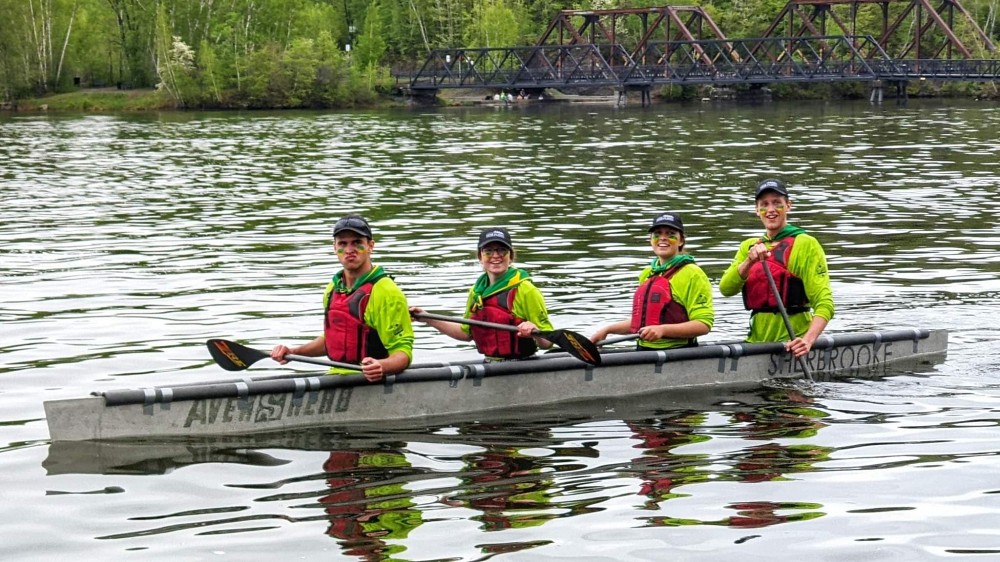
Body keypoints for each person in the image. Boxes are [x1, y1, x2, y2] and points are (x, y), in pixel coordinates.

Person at [271, 214, 414, 382]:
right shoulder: (333, 288)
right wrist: (293, 352)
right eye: (342, 244)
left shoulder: (387, 292)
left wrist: (381, 366)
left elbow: (403, 352)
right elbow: (333, 340)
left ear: (370, 246)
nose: (349, 250)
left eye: (357, 243)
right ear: (334, 247)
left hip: (370, 384)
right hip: (337, 379)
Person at [719, 179, 834, 358]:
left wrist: (807, 341)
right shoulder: (748, 246)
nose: (770, 210)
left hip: (793, 343)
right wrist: (749, 261)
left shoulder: (806, 244)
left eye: (777, 203)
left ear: (788, 206)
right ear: (757, 211)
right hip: (756, 344)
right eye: (764, 205)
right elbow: (725, 289)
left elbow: (825, 303)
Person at [410, 227, 554, 361]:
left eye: (502, 250)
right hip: (490, 365)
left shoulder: (526, 290)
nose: (496, 256)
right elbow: (465, 333)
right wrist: (428, 318)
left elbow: (547, 343)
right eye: (488, 251)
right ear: (480, 257)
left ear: (510, 256)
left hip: (523, 365)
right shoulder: (476, 291)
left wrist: (535, 331)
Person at [590, 212, 714, 349]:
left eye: (670, 234)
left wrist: (663, 330)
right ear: (651, 240)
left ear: (681, 241)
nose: (663, 238)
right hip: (644, 350)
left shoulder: (693, 273)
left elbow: (703, 324)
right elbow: (642, 321)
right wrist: (607, 330)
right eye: (657, 234)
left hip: (678, 353)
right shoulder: (647, 273)